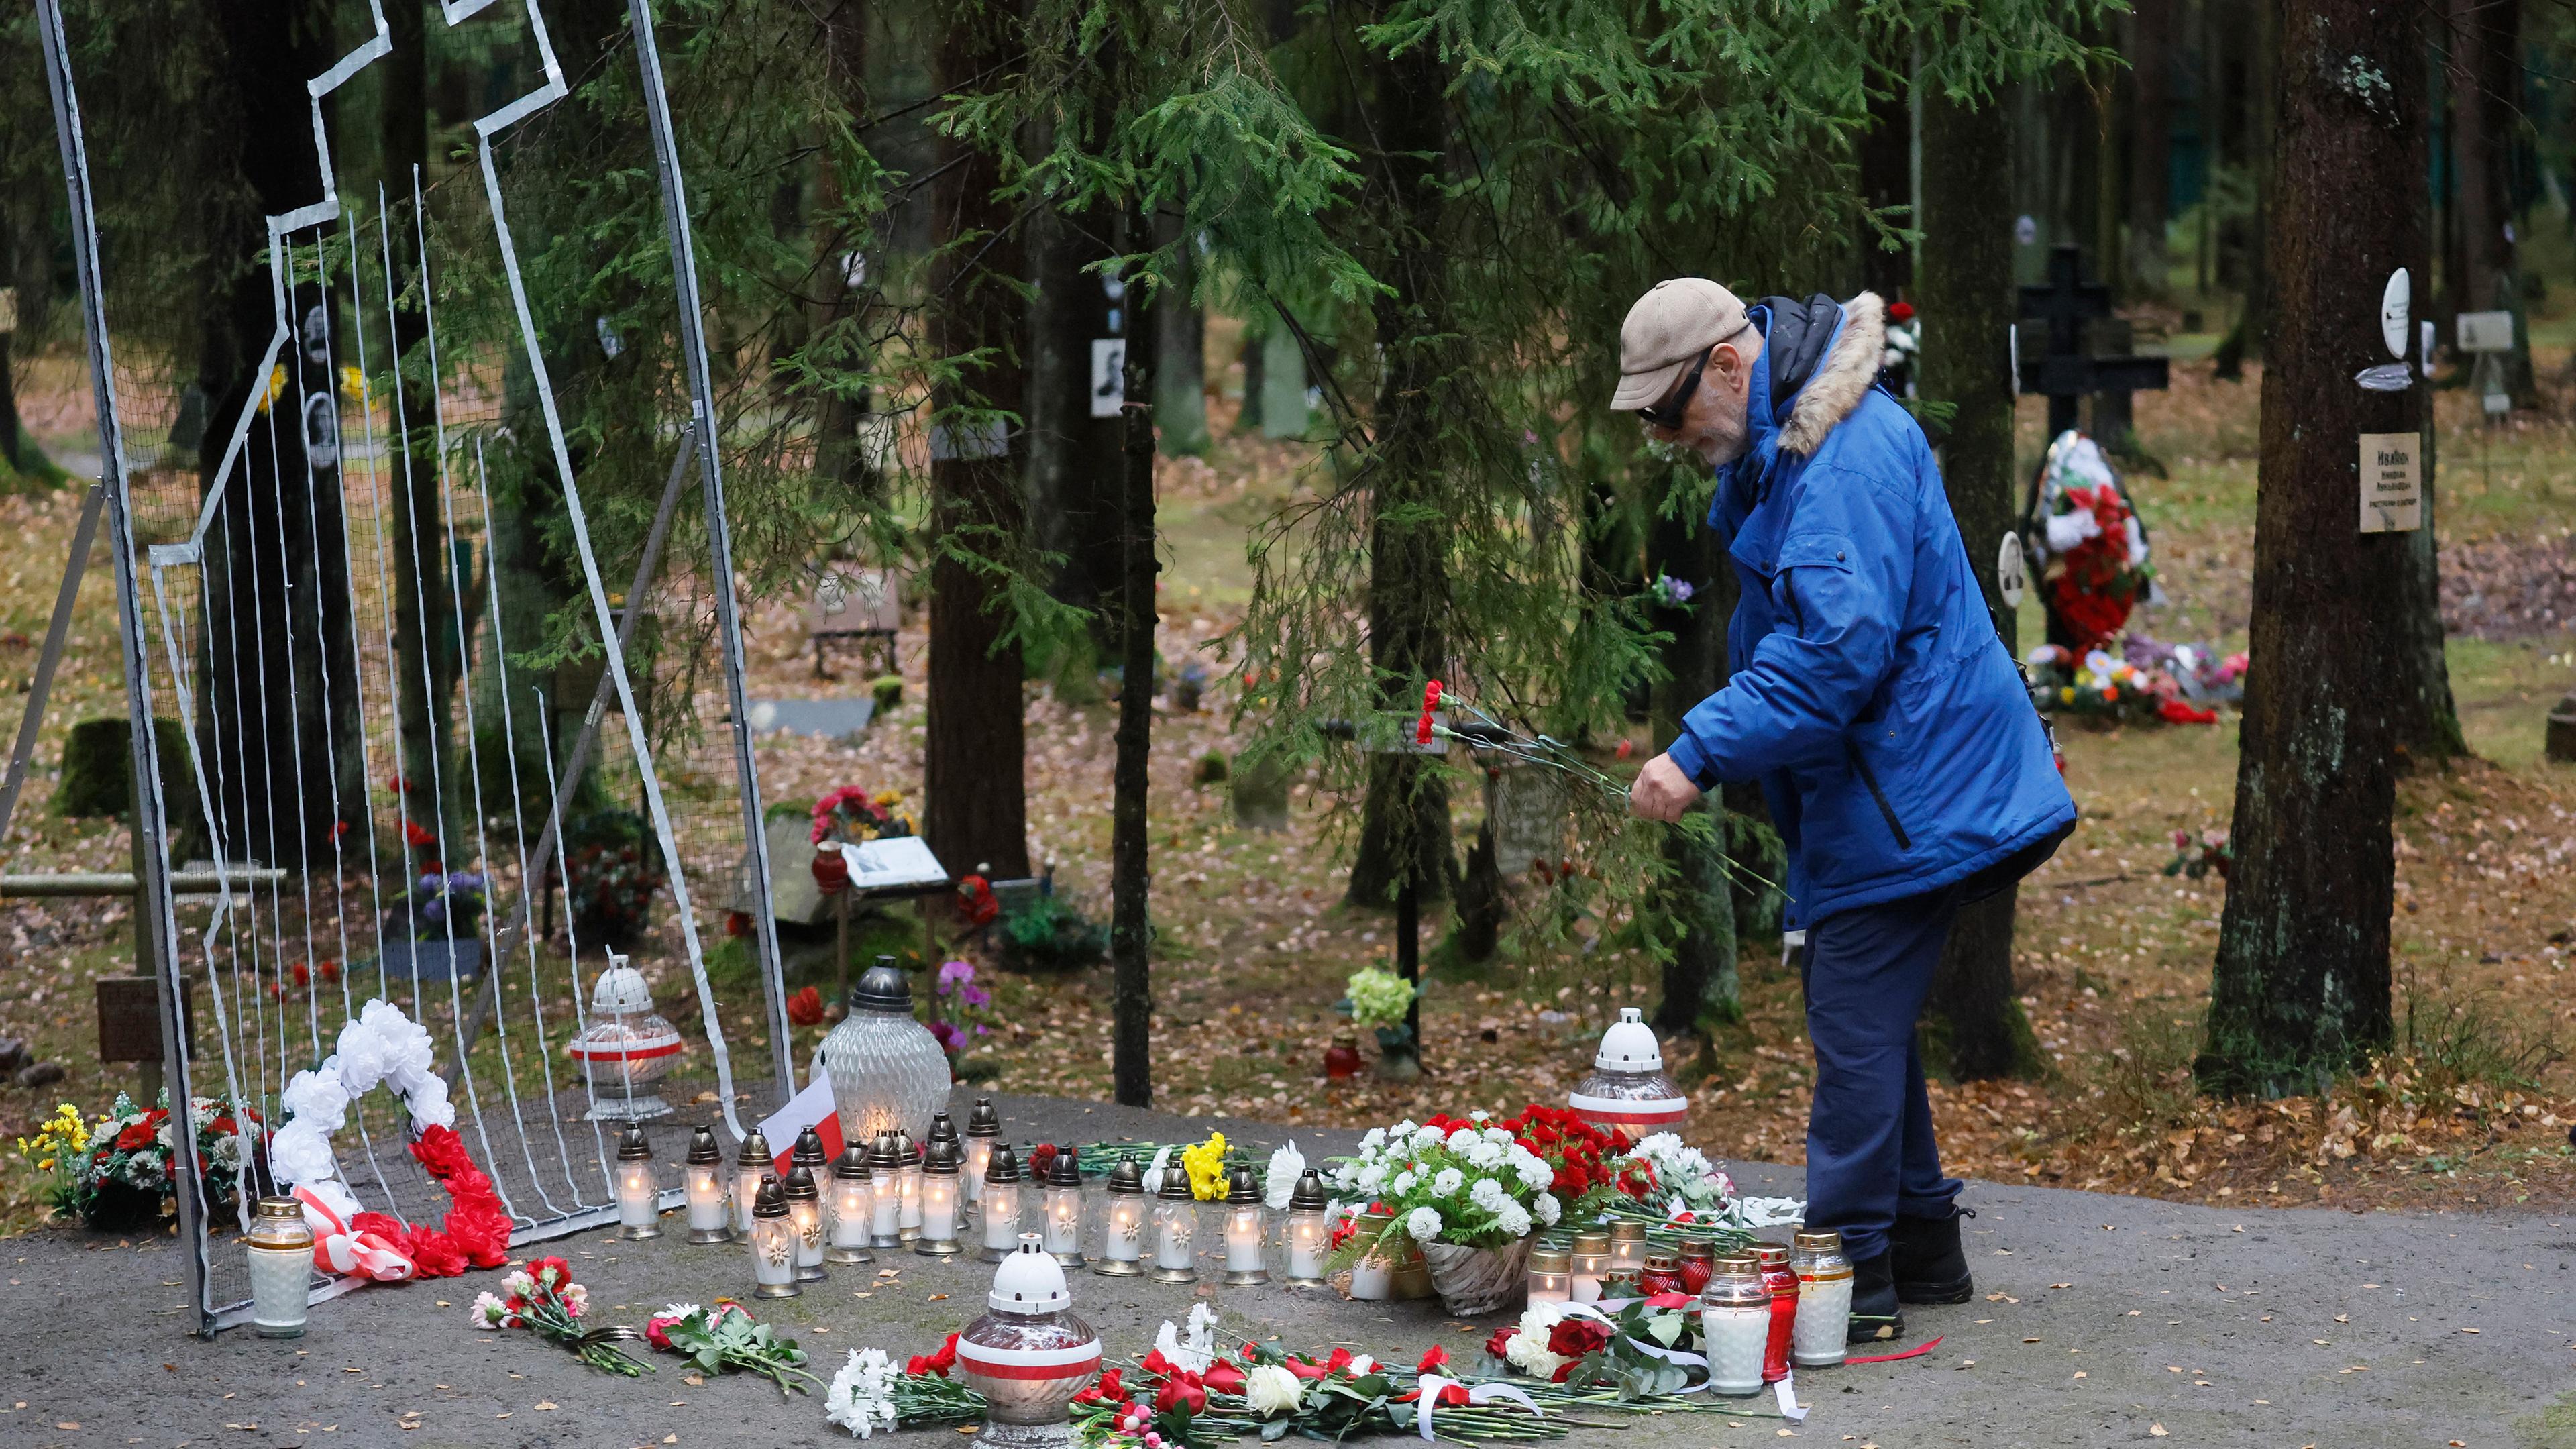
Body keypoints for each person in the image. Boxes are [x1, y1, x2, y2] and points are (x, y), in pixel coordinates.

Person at [1613, 278, 2076, 1343]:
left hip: (1917, 789)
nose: (1665, 439)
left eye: (1667, 412)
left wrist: (1698, 754)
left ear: (1727, 368)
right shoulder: (1786, 450)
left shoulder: (1844, 457)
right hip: (1891, 786)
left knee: (1853, 1019)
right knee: (1858, 1006)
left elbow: (1835, 653)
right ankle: (1921, 1246)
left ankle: (1846, 1280)